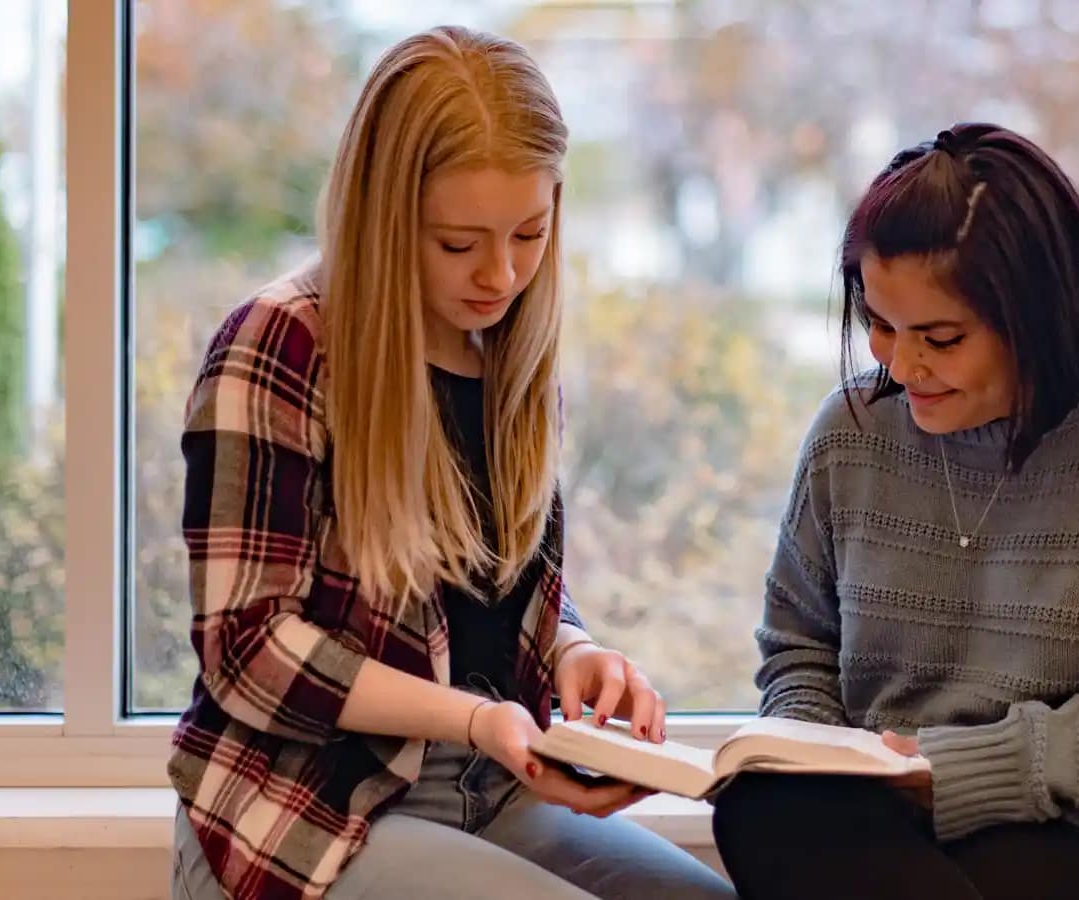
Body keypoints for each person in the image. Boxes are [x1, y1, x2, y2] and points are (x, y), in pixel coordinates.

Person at [167, 25, 736, 900]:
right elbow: (246, 649)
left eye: (529, 233)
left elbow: (479, 588)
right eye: (457, 243)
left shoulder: (512, 355)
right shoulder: (280, 343)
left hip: (483, 788)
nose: (500, 275)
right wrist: (474, 718)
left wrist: (573, 650)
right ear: (382, 215)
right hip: (302, 810)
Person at [712, 122, 1079, 900]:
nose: (902, 364)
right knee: (761, 810)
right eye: (880, 325)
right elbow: (801, 648)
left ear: (1036, 315)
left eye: (940, 337)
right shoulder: (850, 433)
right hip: (917, 823)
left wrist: (968, 772)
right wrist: (812, 754)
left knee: (1002, 863)